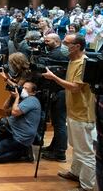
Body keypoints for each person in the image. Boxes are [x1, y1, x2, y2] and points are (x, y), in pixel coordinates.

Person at [43, 33, 96, 191]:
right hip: (73, 111)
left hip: (83, 114)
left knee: (85, 152)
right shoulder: (73, 60)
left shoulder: (84, 63)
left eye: (66, 43)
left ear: (77, 46)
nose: (64, 46)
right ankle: (75, 172)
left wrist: (53, 78)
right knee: (76, 146)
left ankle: (87, 186)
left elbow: (75, 87)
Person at [0, 82, 41, 163]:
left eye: (26, 89)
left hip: (20, 136)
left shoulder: (31, 100)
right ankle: (8, 144)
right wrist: (12, 95)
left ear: (33, 92)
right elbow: (5, 108)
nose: (23, 90)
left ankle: (23, 152)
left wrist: (17, 97)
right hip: (11, 128)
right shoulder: (23, 98)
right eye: (23, 87)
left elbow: (15, 112)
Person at [40, 33, 69, 162]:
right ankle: (54, 147)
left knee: (59, 122)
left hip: (60, 91)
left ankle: (60, 152)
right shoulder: (54, 52)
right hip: (58, 90)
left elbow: (44, 66)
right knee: (57, 122)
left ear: (56, 41)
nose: (45, 42)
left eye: (48, 40)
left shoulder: (56, 54)